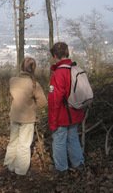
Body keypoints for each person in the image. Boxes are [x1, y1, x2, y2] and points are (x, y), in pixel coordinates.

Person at [4, 57, 47, 176]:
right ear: (33, 69)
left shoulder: (13, 81)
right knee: (24, 144)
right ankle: (21, 171)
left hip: (14, 115)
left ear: (21, 67)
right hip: (27, 118)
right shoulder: (34, 85)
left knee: (13, 141)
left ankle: (9, 165)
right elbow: (43, 103)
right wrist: (33, 106)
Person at [48, 42, 85, 174]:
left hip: (62, 116)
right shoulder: (76, 69)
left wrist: (52, 122)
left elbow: (54, 102)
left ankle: (61, 168)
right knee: (73, 138)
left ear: (55, 56)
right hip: (76, 112)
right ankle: (78, 163)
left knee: (59, 141)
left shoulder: (58, 74)